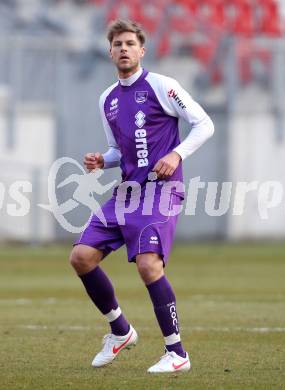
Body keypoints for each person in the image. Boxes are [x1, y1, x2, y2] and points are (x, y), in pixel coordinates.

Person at [69, 19, 214, 373]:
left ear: (141, 50)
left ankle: (177, 354)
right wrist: (103, 160)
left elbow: (204, 124)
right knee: (81, 257)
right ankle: (120, 331)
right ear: (110, 52)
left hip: (162, 192)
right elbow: (120, 149)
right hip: (127, 193)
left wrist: (176, 153)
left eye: (130, 43)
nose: (124, 49)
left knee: (149, 265)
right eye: (118, 44)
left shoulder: (163, 86)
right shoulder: (107, 99)